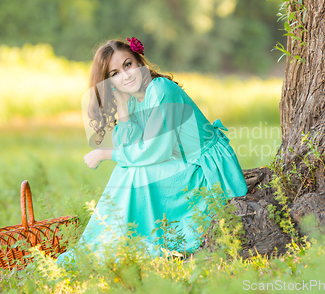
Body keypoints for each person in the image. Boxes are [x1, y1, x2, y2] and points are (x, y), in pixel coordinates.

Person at [56, 37, 248, 266]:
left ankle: (123, 242)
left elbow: (154, 150)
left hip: (206, 171)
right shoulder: (135, 98)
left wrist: (106, 154)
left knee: (135, 172)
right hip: (181, 164)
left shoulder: (161, 89)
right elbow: (129, 146)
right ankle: (105, 244)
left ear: (139, 62)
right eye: (114, 74)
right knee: (128, 170)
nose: (125, 76)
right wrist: (123, 108)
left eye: (128, 65)